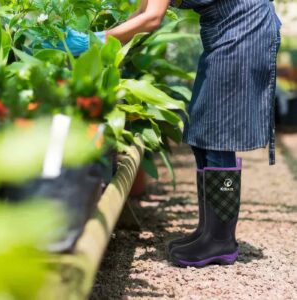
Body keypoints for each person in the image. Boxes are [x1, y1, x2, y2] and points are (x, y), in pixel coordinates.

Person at [43, 0, 281, 267]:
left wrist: (96, 41)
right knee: (202, 128)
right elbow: (143, 11)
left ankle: (220, 240)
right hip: (223, 30)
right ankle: (208, 231)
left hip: (244, 30)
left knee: (218, 131)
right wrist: (107, 40)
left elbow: (152, 18)